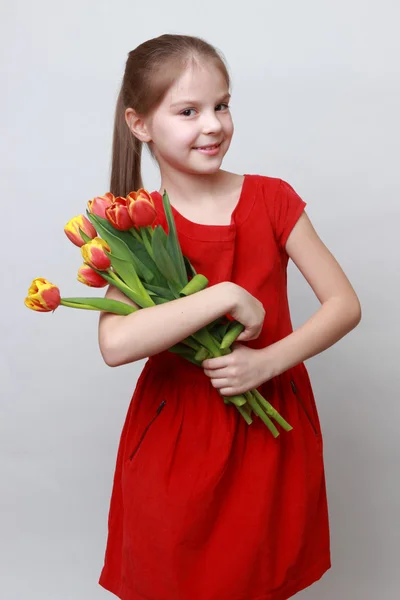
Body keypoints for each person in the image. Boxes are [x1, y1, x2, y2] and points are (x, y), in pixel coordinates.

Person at [97, 34, 362, 600]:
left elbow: (345, 305)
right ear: (140, 124)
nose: (213, 125)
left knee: (258, 580)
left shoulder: (272, 199)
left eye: (222, 105)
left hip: (267, 430)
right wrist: (222, 296)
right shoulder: (131, 226)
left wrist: (265, 363)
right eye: (188, 111)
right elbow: (116, 343)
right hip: (177, 435)